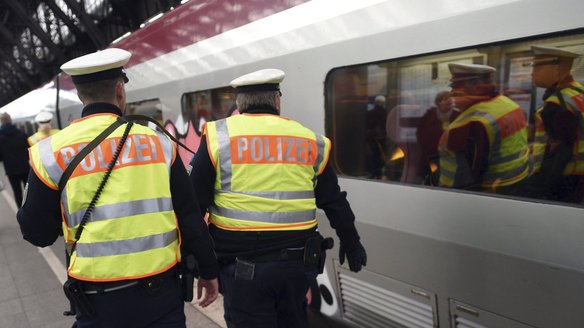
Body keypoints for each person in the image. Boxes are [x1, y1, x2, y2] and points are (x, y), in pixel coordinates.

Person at [16, 48, 219, 327]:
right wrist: (208, 270)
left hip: (98, 301)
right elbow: (190, 216)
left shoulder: (49, 153)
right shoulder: (159, 143)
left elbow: (36, 233)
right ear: (120, 90)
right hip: (160, 294)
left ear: (80, 95)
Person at [189, 68, 367, 328]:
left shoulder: (218, 137)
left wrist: (202, 266)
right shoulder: (309, 140)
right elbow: (334, 201)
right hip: (297, 268)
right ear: (276, 100)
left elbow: (194, 206)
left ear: (239, 104)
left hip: (243, 271)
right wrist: (351, 242)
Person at [437, 63, 530, 193]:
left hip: (491, 191)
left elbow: (466, 179)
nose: (452, 92)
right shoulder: (509, 104)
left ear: (476, 87)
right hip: (518, 182)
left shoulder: (473, 123)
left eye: (456, 86)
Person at [529, 45, 584, 203]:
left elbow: (561, 152)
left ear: (556, 68)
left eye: (536, 66)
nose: (532, 73)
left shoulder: (557, 104)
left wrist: (543, 187)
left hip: (564, 178)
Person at [416, 91, 459, 183]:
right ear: (438, 102)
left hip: (452, 158)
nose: (449, 101)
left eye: (450, 98)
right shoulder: (429, 116)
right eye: (445, 99)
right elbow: (420, 134)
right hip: (432, 157)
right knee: (432, 181)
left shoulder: (457, 115)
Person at [0, 112, 30, 205]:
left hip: (11, 171)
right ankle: (31, 212)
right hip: (25, 168)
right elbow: (29, 149)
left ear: (1, 121)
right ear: (10, 120)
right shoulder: (21, 133)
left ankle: (22, 215)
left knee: (17, 193)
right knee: (28, 193)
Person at [366, 95, 387, 179]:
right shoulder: (385, 112)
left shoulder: (370, 112)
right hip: (381, 137)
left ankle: (374, 172)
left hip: (373, 137)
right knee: (380, 155)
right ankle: (379, 172)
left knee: (374, 155)